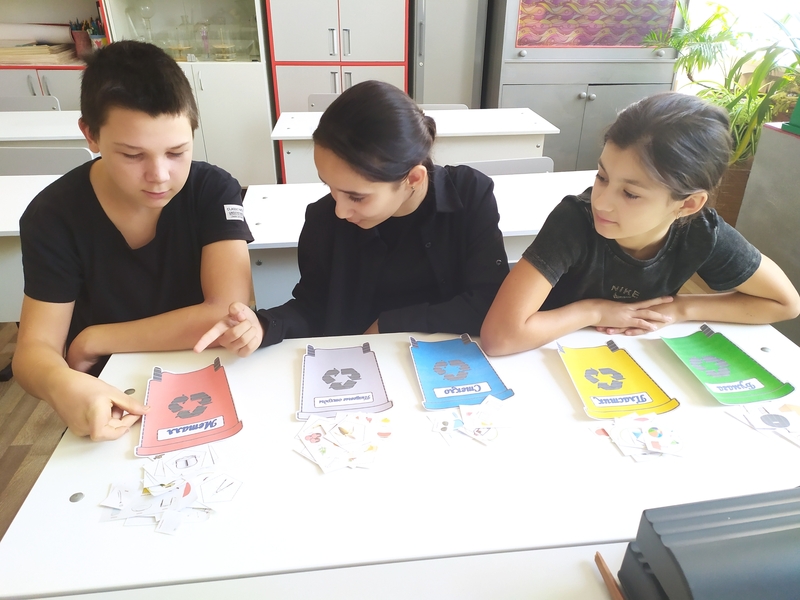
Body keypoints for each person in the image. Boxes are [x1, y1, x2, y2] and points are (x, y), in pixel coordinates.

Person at [13, 41, 254, 440]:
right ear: (90, 135)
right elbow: (34, 351)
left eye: (177, 152)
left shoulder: (212, 189)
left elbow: (227, 313)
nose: (159, 175)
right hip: (111, 390)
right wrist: (61, 382)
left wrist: (94, 338)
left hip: (206, 371)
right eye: (132, 155)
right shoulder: (54, 215)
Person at [196, 80, 509, 356]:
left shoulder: (469, 194)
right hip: (356, 369)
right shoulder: (324, 219)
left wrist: (390, 324)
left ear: (413, 178)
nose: (340, 211)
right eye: (329, 187)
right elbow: (314, 307)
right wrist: (263, 325)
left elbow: (489, 301)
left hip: (448, 361)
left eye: (356, 197)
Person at [480, 92, 800, 356]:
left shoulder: (701, 232)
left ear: (687, 204)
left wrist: (680, 309)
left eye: (630, 194)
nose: (601, 202)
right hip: (550, 355)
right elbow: (500, 337)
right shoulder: (575, 221)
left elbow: (785, 303)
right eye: (602, 176)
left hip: (633, 357)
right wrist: (595, 311)